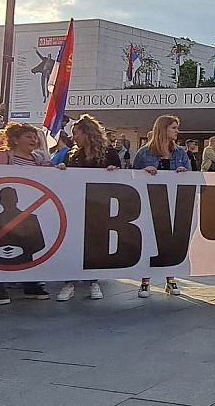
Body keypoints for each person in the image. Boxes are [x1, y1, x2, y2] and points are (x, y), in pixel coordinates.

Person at [0, 122, 55, 304]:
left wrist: (59, 171)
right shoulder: (1, 157)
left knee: (27, 245)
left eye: (34, 136)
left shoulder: (40, 160)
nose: (34, 139)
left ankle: (30, 284)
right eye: (28, 136)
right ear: (15, 139)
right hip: (0, 213)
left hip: (26, 212)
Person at [55, 114, 120, 301]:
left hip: (99, 206)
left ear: (87, 133)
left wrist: (114, 172)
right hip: (75, 205)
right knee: (74, 243)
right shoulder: (72, 154)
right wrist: (61, 170)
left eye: (76, 133)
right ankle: (69, 282)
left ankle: (93, 281)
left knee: (94, 244)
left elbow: (120, 178)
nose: (73, 137)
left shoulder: (109, 153)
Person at [133, 114, 189, 297]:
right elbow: (131, 178)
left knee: (170, 242)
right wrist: (143, 172)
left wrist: (183, 172)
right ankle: (145, 281)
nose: (177, 131)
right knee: (149, 241)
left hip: (173, 203)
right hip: (150, 203)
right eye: (173, 127)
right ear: (163, 128)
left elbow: (192, 174)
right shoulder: (144, 153)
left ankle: (170, 279)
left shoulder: (180, 153)